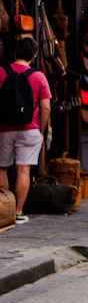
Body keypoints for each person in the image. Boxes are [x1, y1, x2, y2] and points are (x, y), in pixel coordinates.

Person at [0, 38, 51, 225]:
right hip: (30, 128)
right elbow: (46, 108)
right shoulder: (39, 77)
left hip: (4, 128)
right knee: (24, 169)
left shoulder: (2, 72)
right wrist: (41, 130)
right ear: (35, 55)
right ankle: (19, 211)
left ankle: (4, 209)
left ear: (15, 52)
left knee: (2, 167)